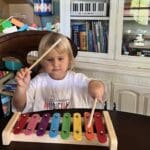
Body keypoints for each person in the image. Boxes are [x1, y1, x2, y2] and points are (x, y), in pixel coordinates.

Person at [12, 32, 106, 113]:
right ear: (42, 61)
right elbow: (19, 107)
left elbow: (95, 84)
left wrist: (96, 86)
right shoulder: (37, 82)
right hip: (44, 129)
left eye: (60, 58)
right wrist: (21, 88)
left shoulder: (77, 79)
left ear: (69, 59)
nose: (56, 64)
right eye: (49, 59)